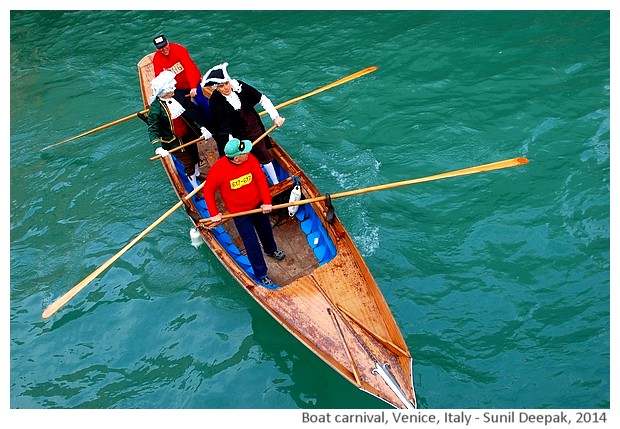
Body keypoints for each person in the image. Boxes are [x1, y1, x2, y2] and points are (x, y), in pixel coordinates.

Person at [203, 138, 286, 288]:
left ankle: (271, 250)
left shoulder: (250, 159)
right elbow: (208, 191)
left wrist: (267, 201)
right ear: (236, 158)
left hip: (257, 206)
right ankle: (261, 274)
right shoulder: (218, 169)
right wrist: (214, 213)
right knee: (251, 243)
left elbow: (260, 179)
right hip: (239, 213)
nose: (248, 152)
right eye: (244, 152)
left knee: (266, 230)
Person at [200, 62, 285, 186]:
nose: (226, 88)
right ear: (216, 88)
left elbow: (263, 99)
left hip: (253, 126)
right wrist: (233, 145)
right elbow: (223, 127)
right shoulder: (215, 101)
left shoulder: (240, 86)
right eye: (221, 86)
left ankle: (276, 182)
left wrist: (275, 117)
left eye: (227, 83)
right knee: (241, 159)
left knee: (263, 153)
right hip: (235, 133)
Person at [147, 70, 213, 188]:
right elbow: (153, 129)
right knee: (189, 163)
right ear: (165, 91)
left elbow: (191, 113)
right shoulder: (156, 109)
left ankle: (197, 174)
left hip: (188, 134)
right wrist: (158, 147)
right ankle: (195, 187)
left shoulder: (176, 96)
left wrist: (202, 127)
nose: (174, 88)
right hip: (173, 141)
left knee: (194, 155)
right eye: (171, 87)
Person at [152, 34, 202, 99]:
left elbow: (189, 68)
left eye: (165, 46)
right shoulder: (156, 59)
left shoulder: (179, 50)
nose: (164, 49)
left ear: (167, 42)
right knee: (185, 106)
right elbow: (159, 77)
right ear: (156, 48)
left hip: (194, 82)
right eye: (160, 48)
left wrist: (193, 87)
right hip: (178, 88)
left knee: (201, 101)